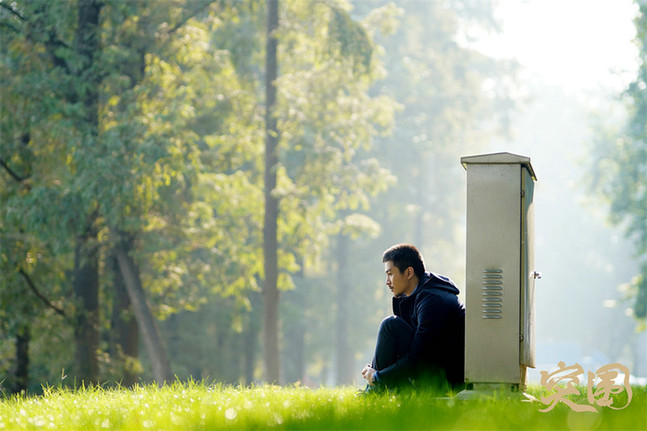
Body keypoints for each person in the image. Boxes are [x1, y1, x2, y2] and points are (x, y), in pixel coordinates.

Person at [360, 243, 465, 393]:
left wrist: (378, 377)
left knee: (390, 325)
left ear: (409, 273)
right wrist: (377, 372)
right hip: (430, 370)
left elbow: (418, 356)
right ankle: (372, 392)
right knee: (392, 325)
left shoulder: (433, 300)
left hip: (445, 381)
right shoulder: (414, 297)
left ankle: (372, 393)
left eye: (390, 274)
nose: (387, 281)